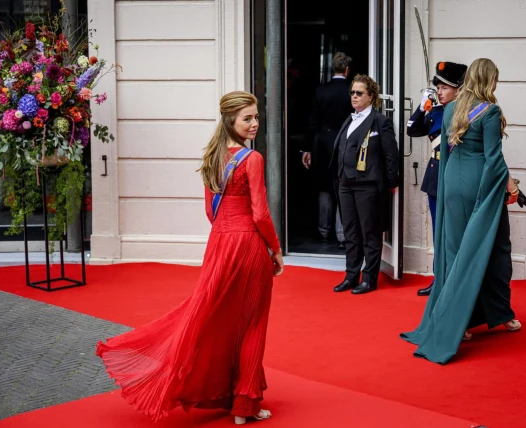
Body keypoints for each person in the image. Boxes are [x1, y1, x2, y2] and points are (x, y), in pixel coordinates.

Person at [96, 91, 284, 424]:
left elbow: (209, 213)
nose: (255, 124)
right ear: (231, 121)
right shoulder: (251, 159)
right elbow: (261, 214)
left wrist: (226, 233)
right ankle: (245, 406)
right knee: (252, 325)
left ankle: (231, 398)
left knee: (218, 320)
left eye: (256, 117)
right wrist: (276, 249)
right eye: (248, 118)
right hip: (249, 245)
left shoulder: (212, 157)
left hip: (219, 245)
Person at [400, 58, 522, 364]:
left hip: (451, 187)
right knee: (496, 251)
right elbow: (493, 159)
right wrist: (509, 190)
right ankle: (481, 317)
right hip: (478, 189)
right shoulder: (490, 111)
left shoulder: (452, 108)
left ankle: (469, 321)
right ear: (489, 80)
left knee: (456, 255)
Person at [330, 74, 399, 295]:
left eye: (359, 93)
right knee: (350, 232)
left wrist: (391, 182)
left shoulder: (380, 121)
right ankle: (351, 275)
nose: (354, 96)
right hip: (345, 183)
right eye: (352, 92)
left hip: (367, 184)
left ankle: (369, 278)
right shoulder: (349, 119)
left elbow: (391, 155)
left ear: (371, 96)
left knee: (369, 232)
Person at [407, 61, 467, 296]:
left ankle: (452, 279)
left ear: (457, 90)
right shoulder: (436, 111)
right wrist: (423, 107)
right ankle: (439, 278)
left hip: (453, 176)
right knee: (438, 231)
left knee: (453, 232)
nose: (439, 92)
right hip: (435, 177)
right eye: (438, 88)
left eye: (444, 88)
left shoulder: (462, 112)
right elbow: (412, 129)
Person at [302, 52, 354, 249]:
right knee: (343, 187)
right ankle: (342, 235)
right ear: (347, 70)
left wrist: (307, 149)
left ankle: (324, 230)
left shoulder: (320, 90)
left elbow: (312, 122)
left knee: (324, 188)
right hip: (346, 143)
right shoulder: (352, 91)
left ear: (333, 68)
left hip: (323, 144)